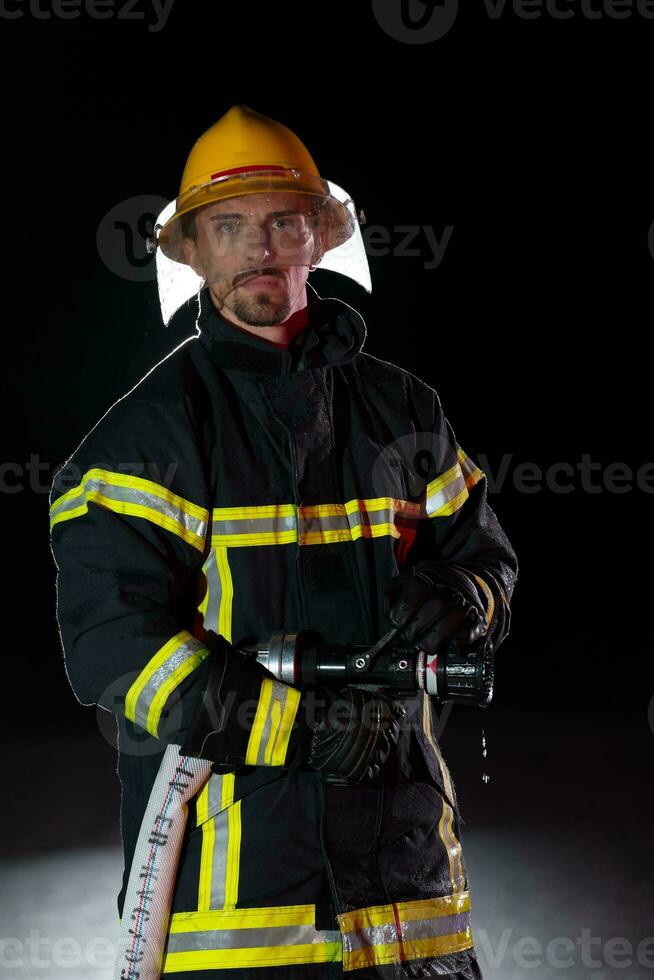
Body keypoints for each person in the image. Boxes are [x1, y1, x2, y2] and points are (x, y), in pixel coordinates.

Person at [48, 105, 518, 980]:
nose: (258, 248)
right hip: (236, 911)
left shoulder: (404, 410)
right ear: (191, 252)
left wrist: (465, 597)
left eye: (281, 222)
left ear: (318, 239)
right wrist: (293, 730)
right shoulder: (142, 444)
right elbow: (113, 649)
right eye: (229, 227)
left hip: (410, 892)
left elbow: (486, 557)